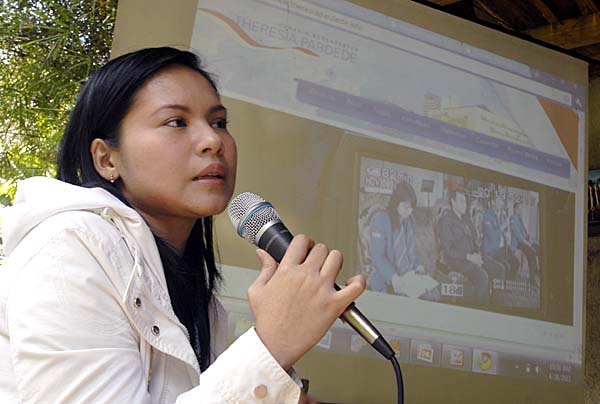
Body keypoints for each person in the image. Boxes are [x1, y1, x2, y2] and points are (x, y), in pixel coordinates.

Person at [0, 47, 365, 403]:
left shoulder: (196, 296)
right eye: (176, 122)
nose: (212, 141)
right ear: (107, 159)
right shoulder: (66, 253)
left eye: (219, 122)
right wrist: (270, 346)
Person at [368, 181, 437, 299]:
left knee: (434, 294)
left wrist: (419, 267)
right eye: (406, 207)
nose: (410, 211)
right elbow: (378, 256)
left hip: (409, 276)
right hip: (387, 277)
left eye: (411, 208)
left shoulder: (410, 221)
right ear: (395, 203)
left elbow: (413, 252)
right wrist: (394, 278)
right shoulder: (381, 220)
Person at [437, 189, 490, 305]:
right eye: (461, 201)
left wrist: (478, 255)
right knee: (483, 277)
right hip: (456, 262)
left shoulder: (466, 220)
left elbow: (474, 240)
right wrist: (470, 257)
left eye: (465, 202)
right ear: (453, 202)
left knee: (495, 267)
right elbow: (448, 250)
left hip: (471, 258)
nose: (465, 205)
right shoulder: (446, 220)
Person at [482, 192, 517, 281]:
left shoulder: (501, 215)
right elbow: (493, 236)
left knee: (515, 262)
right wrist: (502, 227)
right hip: (492, 251)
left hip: (502, 249)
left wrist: (506, 234)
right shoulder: (487, 215)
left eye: (502, 200)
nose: (502, 203)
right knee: (505, 267)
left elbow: (504, 232)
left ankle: (508, 284)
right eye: (499, 200)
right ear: (493, 202)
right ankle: (500, 290)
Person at [510, 201, 540, 287]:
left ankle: (536, 270)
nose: (520, 210)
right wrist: (528, 243)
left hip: (524, 241)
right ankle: (532, 279)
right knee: (531, 252)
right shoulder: (512, 219)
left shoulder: (519, 219)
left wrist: (528, 237)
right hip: (518, 243)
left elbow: (524, 232)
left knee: (538, 248)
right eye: (519, 208)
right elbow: (518, 236)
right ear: (514, 209)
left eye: (521, 209)